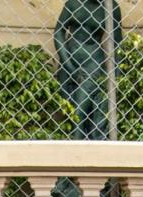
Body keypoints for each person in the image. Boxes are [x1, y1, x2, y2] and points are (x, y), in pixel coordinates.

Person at [54, 0, 123, 141]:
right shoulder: (73, 4)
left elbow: (117, 44)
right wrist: (69, 66)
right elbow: (58, 33)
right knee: (67, 106)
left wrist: (117, 75)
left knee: (78, 113)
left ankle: (78, 151)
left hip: (93, 61)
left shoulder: (111, 8)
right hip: (69, 57)